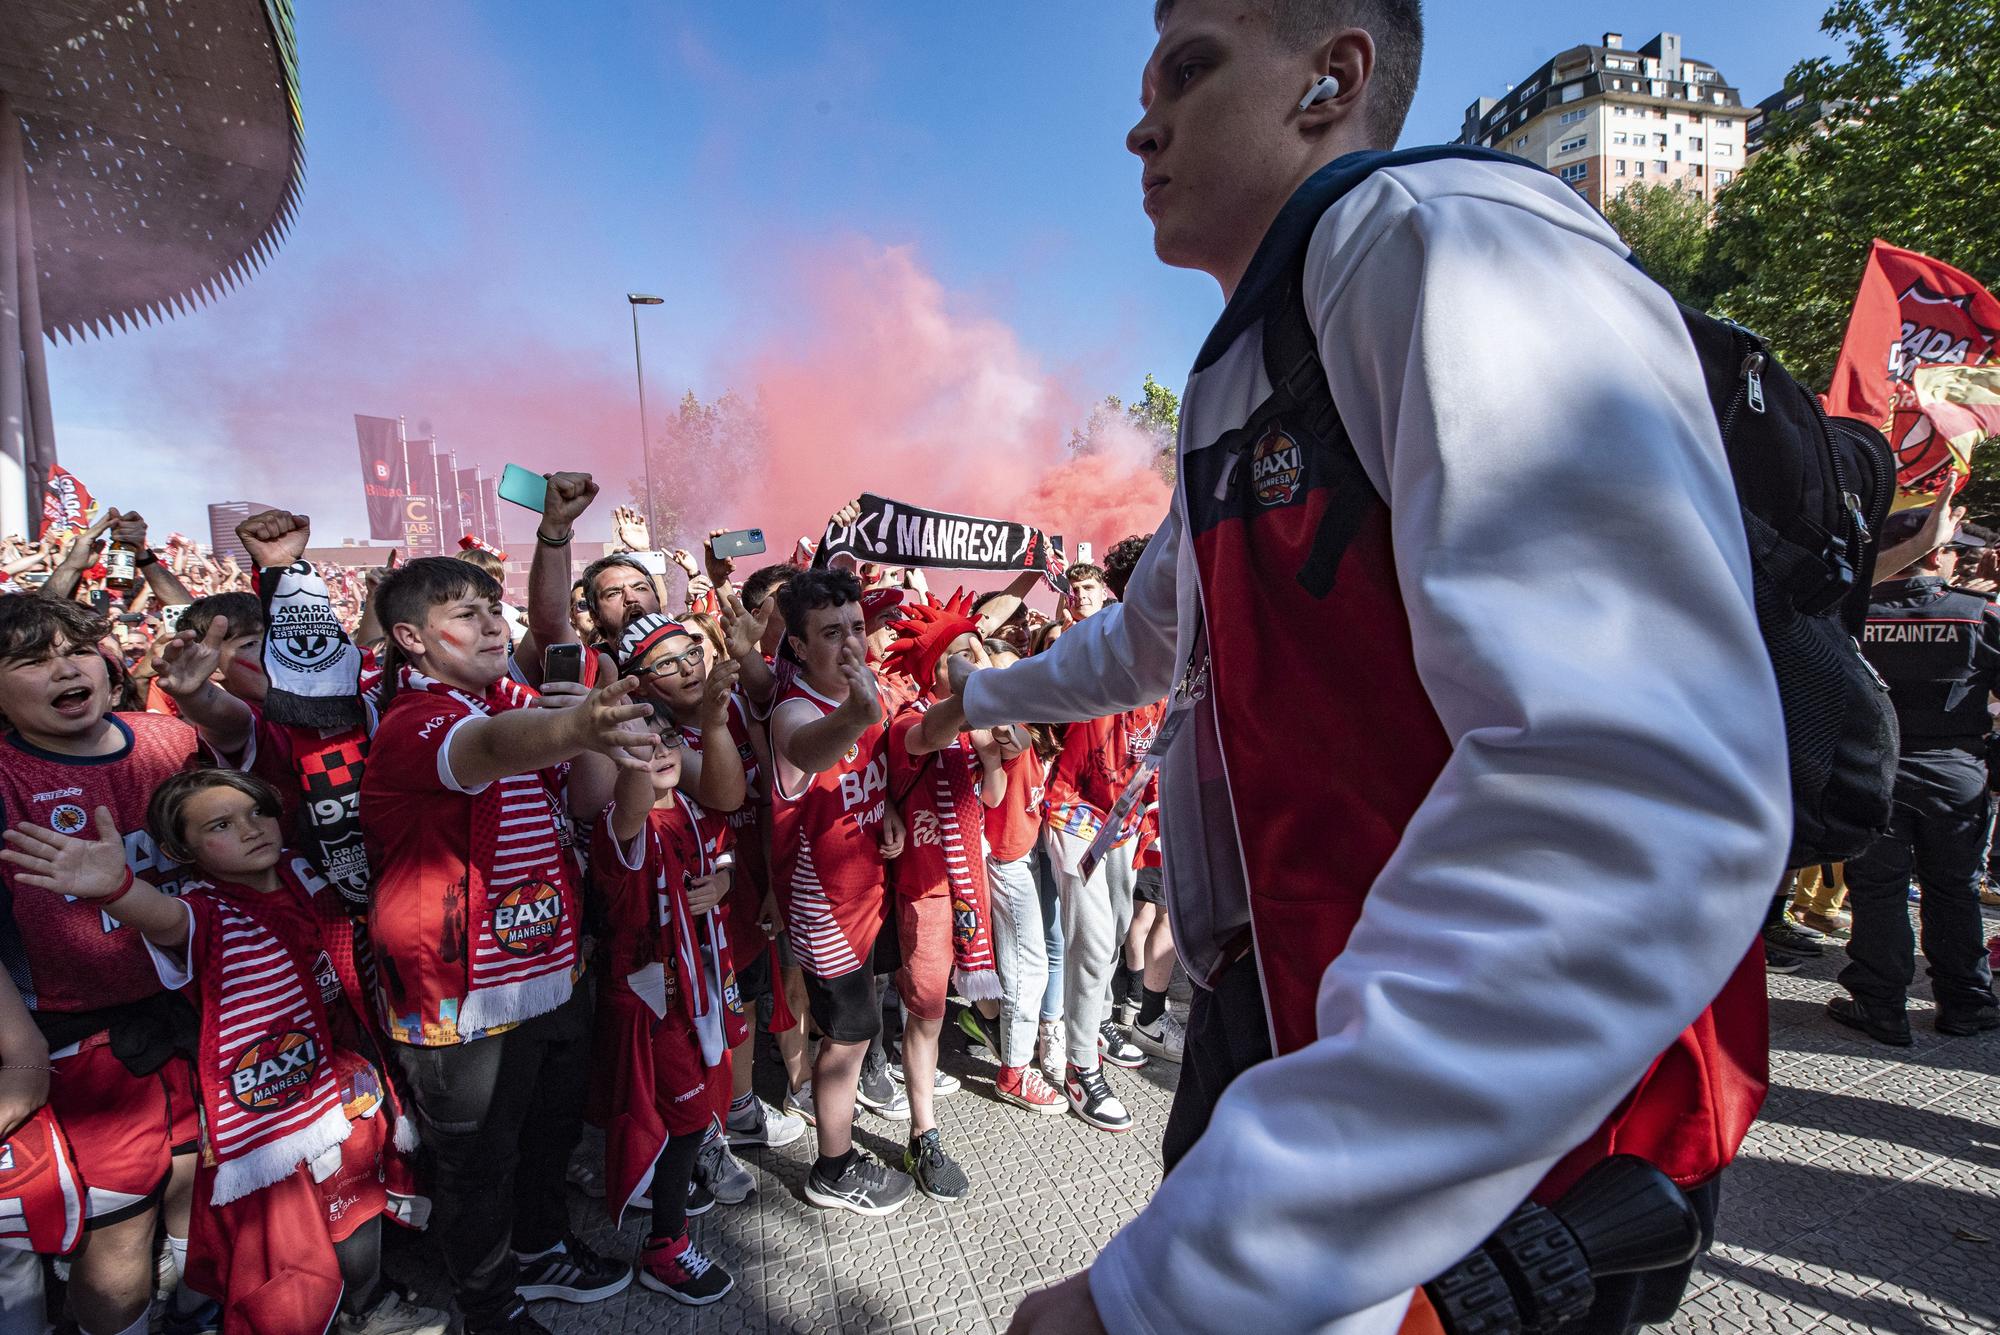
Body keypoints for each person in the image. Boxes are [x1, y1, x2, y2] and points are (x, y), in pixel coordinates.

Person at [932, 2, 1793, 1331]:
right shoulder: (1252, 353)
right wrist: (969, 700)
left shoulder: (1450, 242)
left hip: (1499, 1122)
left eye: (1192, 67)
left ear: (1331, 80)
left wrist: (1172, 1282)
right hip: (1306, 1039)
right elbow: (1151, 635)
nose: (1139, 121)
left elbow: (1627, 785)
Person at [4, 770, 448, 1335]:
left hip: (352, 1078)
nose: (251, 830)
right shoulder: (208, 912)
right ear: (178, 851)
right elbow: (168, 919)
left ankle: (368, 1299)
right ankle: (354, 1314)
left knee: (362, 1198)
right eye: (220, 825)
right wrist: (118, 890)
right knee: (316, 1227)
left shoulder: (298, 871)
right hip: (287, 1106)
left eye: (257, 813)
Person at [359, 557, 647, 1335]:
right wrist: (575, 723)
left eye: (495, 607)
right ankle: (489, 1308)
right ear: (411, 638)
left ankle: (542, 1247)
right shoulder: (414, 722)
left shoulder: (511, 695)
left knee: (549, 1125)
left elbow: (586, 799)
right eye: (467, 612)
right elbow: (488, 750)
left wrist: (592, 728)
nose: (494, 623)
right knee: (478, 1160)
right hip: (456, 987)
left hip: (549, 962)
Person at [0, 596, 208, 1335]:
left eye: (78, 649)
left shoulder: (171, 739)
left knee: (195, 1178)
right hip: (79, 1039)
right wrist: (20, 1047)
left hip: (199, 1009)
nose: (65, 667)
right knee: (120, 1221)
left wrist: (207, 697)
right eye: (30, 660)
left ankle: (191, 1310)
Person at [765, 568, 915, 1215]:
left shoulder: (862, 687)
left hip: (868, 886)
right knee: (847, 1037)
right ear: (797, 645)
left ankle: (841, 1142)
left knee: (866, 1021)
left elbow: (869, 760)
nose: (850, 641)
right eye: (831, 632)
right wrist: (858, 709)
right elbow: (818, 749)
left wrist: (888, 810)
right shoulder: (795, 708)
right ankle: (832, 1167)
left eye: (856, 626)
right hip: (824, 906)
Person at [1833, 509, 2000, 1044]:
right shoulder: (1979, 614)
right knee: (1953, 890)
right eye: (1955, 548)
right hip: (1956, 770)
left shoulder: (1854, 612)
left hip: (1874, 768)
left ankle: (1880, 1004)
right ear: (1934, 550)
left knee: (1877, 890)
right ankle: (1966, 1003)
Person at [590, 728, 741, 1306]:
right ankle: (665, 1250)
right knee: (683, 1123)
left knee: (697, 1112)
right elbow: (627, 824)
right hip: (652, 999)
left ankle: (667, 1213)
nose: (658, 754)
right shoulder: (621, 824)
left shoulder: (692, 812)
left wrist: (722, 882)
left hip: (701, 989)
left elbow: (722, 856)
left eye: (664, 742)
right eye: (639, 748)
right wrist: (631, 764)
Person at [880, 593, 1016, 1194]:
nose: (974, 660)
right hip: (925, 892)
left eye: (976, 649)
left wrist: (994, 755)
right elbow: (932, 732)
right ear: (933, 671)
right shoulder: (913, 720)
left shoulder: (976, 723)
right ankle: (922, 1135)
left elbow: (989, 800)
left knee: (968, 1000)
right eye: (958, 654)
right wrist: (974, 700)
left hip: (968, 885)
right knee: (927, 1013)